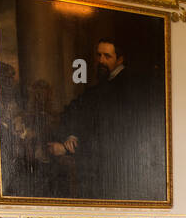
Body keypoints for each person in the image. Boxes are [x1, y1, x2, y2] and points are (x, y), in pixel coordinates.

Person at [47, 38, 167, 201]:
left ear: (120, 59)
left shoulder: (128, 87)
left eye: (107, 56)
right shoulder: (102, 86)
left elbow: (109, 135)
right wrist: (71, 134)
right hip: (102, 165)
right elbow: (75, 109)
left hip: (119, 171)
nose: (101, 60)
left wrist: (68, 149)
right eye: (99, 55)